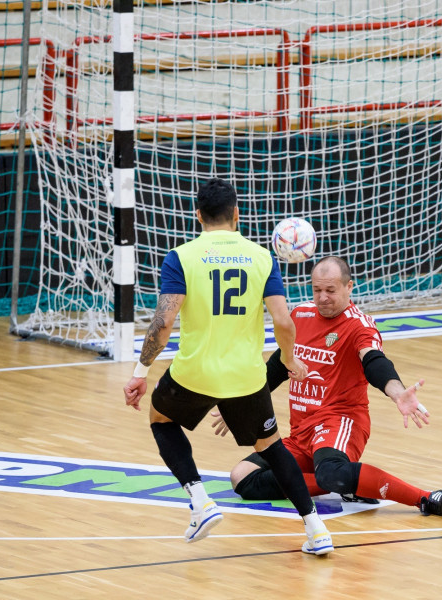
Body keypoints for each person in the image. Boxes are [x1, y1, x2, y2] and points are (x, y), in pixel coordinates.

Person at [123, 177, 334, 555]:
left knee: (160, 418)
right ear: (237, 214)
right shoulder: (262, 257)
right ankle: (316, 529)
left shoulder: (181, 257)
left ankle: (201, 502)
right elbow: (284, 322)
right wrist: (288, 359)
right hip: (246, 378)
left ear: (198, 216)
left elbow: (163, 322)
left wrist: (141, 373)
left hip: (195, 373)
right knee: (272, 448)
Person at [212, 256, 442, 519]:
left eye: (330, 290)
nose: (322, 297)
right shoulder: (300, 315)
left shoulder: (359, 325)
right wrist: (243, 403)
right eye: (317, 289)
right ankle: (349, 483)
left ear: (349, 287)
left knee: (330, 472)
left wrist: (397, 392)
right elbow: (277, 366)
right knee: (243, 478)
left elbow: (374, 361)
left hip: (339, 422)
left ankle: (426, 498)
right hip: (302, 432)